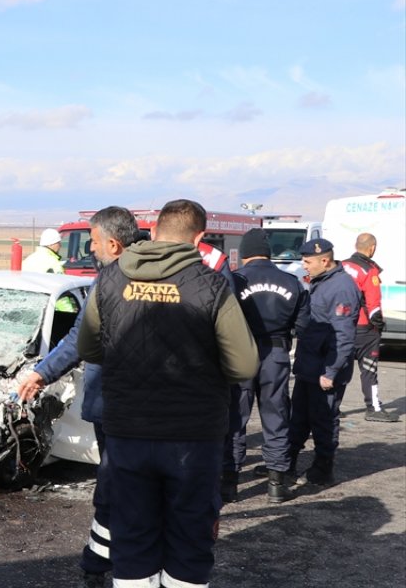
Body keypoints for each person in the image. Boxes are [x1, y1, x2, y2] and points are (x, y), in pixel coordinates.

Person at [78, 199, 258, 588]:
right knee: (189, 535)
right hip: (192, 438)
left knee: (132, 532)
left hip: (127, 432)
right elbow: (243, 365)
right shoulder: (211, 286)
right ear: (198, 239)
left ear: (155, 231)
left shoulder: (108, 280)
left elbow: (89, 349)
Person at [15, 206, 141, 588]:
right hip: (164, 407)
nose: (91, 249)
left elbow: (79, 341)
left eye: (94, 241)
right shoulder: (183, 278)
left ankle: (99, 564)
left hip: (117, 405)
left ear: (114, 244)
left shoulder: (107, 283)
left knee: (115, 483)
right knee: (142, 483)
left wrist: (41, 372)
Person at [221, 228, 309, 504]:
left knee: (235, 417)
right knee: (276, 416)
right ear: (268, 253)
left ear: (244, 254)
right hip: (277, 354)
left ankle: (230, 485)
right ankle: (276, 484)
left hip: (240, 352)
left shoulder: (235, 280)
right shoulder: (292, 281)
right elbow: (304, 325)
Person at [288, 238, 361, 486]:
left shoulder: (341, 287)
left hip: (325, 370)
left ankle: (322, 470)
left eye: (307, 261)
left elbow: (344, 337)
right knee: (298, 417)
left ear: (324, 260)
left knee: (323, 420)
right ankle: (286, 464)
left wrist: (331, 371)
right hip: (310, 366)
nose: (303, 265)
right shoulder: (323, 282)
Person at [342, 233, 397, 422]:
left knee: (339, 368)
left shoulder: (341, 266)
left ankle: (330, 407)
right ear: (372, 248)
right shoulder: (369, 271)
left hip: (341, 326)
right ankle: (373, 408)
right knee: (369, 369)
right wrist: (379, 327)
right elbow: (373, 307)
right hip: (364, 328)